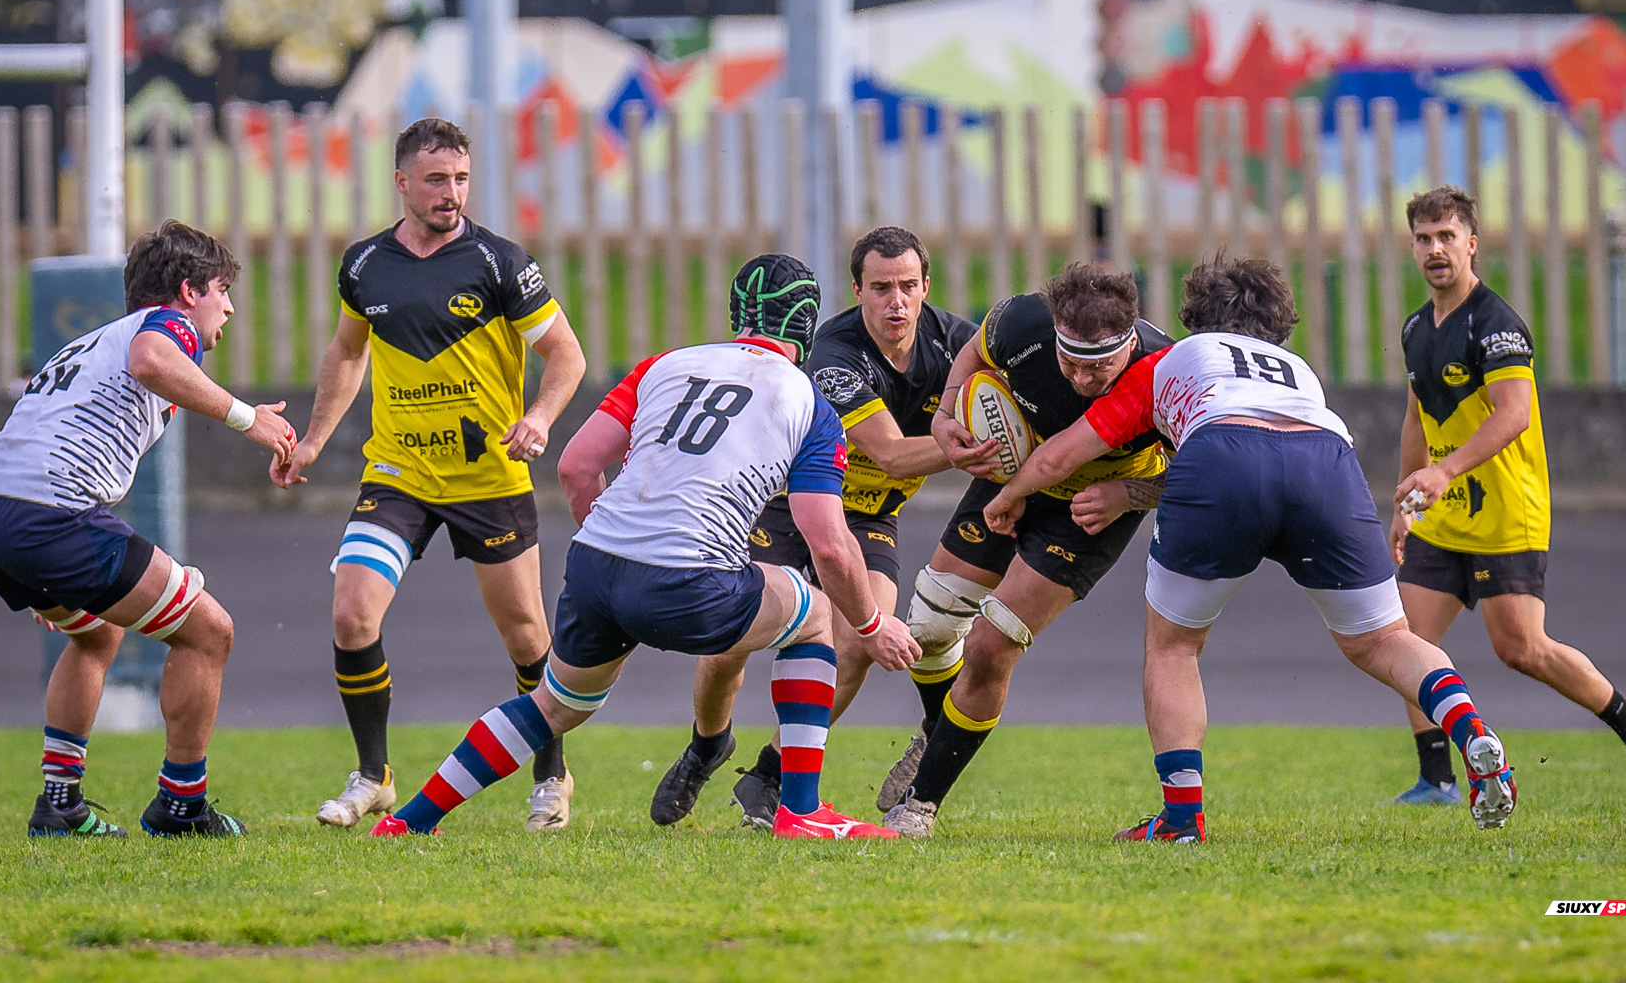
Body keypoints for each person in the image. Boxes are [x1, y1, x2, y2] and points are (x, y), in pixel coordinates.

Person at [370, 254, 921, 840]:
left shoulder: (666, 363)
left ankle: (409, 821)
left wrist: (619, 555)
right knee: (814, 619)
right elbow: (830, 545)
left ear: (738, 313)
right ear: (808, 324)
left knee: (555, 707)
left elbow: (578, 467)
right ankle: (802, 811)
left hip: (595, 563)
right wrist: (868, 625)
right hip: (688, 581)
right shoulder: (810, 404)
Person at [981, 256, 1519, 840]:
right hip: (1327, 461)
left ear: (1195, 318)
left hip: (1222, 455)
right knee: (1388, 640)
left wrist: (1009, 496)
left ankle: (1182, 820)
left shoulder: (1172, 359)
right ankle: (1468, 728)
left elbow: (1064, 455)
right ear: (1277, 327)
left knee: (1174, 649)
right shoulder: (1299, 370)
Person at [272, 118, 587, 832]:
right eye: (438, 179)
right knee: (352, 613)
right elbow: (349, 352)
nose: (452, 193)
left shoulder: (499, 262)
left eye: (462, 179)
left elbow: (567, 356)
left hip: (489, 478)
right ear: (402, 182)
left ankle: (551, 773)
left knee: (526, 637)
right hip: (399, 474)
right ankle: (374, 774)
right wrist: (315, 439)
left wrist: (538, 418)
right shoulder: (364, 266)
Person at [0, 221, 296, 837]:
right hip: (48, 516)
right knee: (209, 633)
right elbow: (152, 361)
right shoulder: (167, 331)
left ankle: (60, 805)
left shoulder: (95, 343)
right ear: (189, 291)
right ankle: (181, 806)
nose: (229, 307)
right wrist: (249, 419)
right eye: (223, 290)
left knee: (96, 635)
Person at [650, 227, 986, 828]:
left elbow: (1002, 364)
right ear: (857, 290)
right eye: (880, 288)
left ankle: (773, 772)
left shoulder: (954, 341)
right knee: (730, 645)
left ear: (926, 286)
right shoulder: (834, 353)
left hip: (870, 514)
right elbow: (889, 454)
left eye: (908, 286)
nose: (896, 302)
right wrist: (974, 448)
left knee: (860, 636)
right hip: (790, 501)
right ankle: (707, 744)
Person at [1387, 187, 1626, 806]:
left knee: (1521, 649)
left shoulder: (1497, 325)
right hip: (1443, 516)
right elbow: (1416, 421)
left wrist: (1445, 472)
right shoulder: (1416, 328)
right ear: (1412, 247)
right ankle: (1436, 779)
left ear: (1471, 243)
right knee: (1404, 639)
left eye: (1447, 237)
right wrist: (1407, 505)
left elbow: (1513, 415)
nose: (1436, 249)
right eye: (1424, 238)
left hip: (1506, 513)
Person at [878, 263, 1173, 837]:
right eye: (1071, 364)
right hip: (1014, 468)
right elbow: (976, 353)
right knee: (930, 628)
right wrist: (946, 413)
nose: (1084, 379)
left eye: (1100, 367)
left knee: (990, 646)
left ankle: (920, 806)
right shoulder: (1022, 321)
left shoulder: (1166, 371)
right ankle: (940, 734)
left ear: (1130, 342)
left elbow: (1202, 473)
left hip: (1091, 507)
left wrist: (1128, 493)